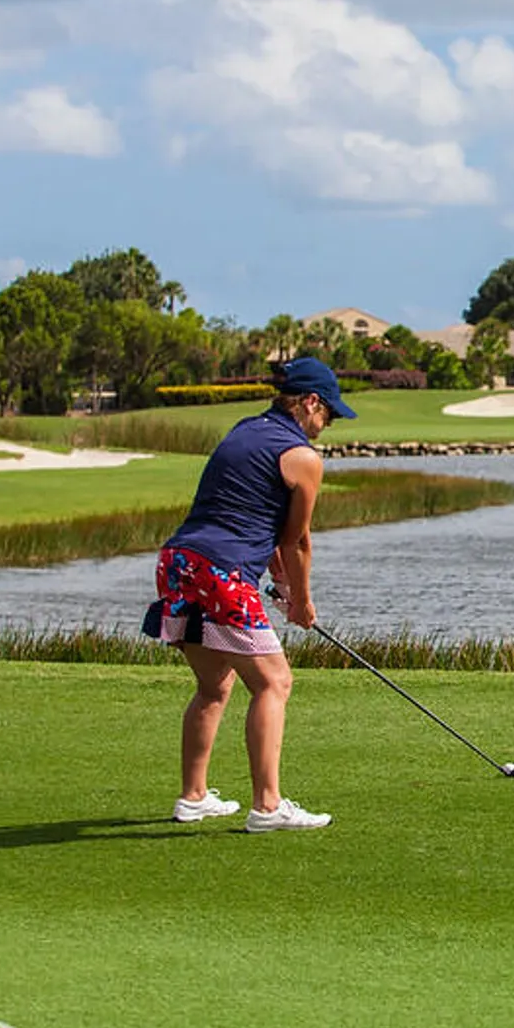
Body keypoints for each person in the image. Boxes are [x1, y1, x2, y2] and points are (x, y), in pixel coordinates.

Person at [143, 357, 356, 833]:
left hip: (178, 563)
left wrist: (280, 586)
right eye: (329, 414)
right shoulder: (303, 458)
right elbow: (296, 540)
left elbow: (262, 526)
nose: (327, 425)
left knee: (215, 685)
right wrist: (300, 601)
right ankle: (267, 806)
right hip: (221, 572)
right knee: (274, 683)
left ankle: (194, 797)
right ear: (310, 402)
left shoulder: (246, 429)